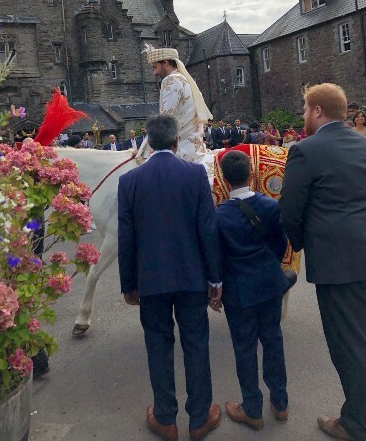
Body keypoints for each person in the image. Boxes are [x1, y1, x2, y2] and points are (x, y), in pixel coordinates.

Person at [280, 83, 366, 441]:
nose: (303, 116)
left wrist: (301, 244)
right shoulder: (362, 143)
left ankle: (356, 424)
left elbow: (290, 210)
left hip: (341, 261)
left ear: (318, 111)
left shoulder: (304, 149)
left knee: (350, 342)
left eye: (305, 109)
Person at [118, 114, 222, 441]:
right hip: (192, 277)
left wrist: (128, 285)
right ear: (177, 142)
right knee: (196, 344)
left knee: (158, 345)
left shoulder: (130, 181)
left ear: (149, 142)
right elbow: (208, 231)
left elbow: (127, 237)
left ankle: (165, 418)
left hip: (150, 280)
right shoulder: (194, 175)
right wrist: (215, 280)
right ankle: (199, 417)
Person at [215, 150, 289, 431]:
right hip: (269, 284)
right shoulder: (271, 206)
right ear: (252, 175)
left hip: (238, 290)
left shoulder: (219, 215)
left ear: (224, 179)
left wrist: (216, 287)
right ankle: (280, 403)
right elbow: (280, 245)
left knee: (244, 348)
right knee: (273, 340)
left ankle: (252, 408)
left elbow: (217, 256)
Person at [143, 44, 214, 181]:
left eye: (155, 67)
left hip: (181, 149)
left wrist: (143, 150)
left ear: (165, 62)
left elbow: (163, 121)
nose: (154, 73)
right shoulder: (184, 78)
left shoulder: (171, 80)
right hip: (193, 144)